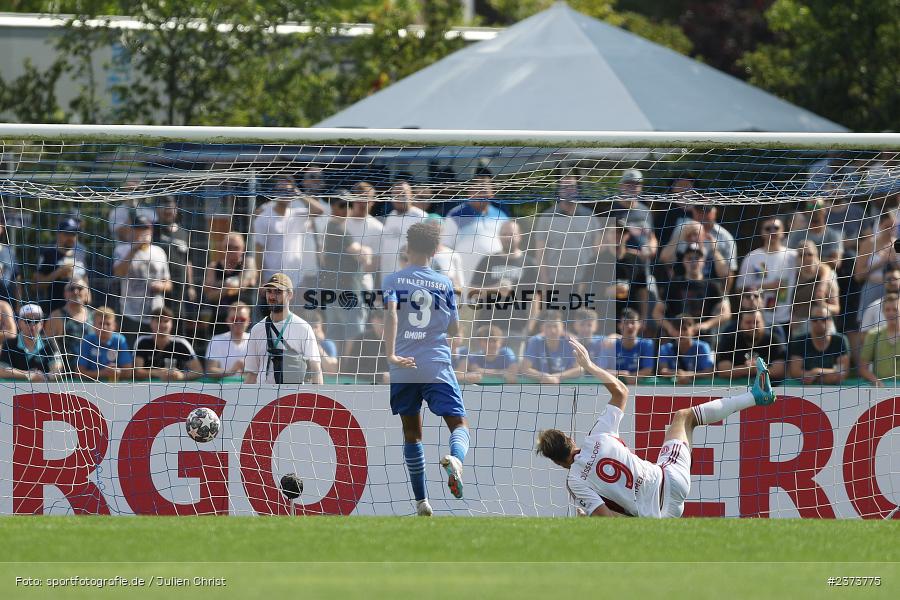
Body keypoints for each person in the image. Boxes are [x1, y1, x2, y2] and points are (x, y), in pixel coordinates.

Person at [536, 338, 776, 518]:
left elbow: (607, 518)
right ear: (570, 438)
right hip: (670, 480)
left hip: (659, 516)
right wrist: (588, 365)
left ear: (557, 462)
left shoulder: (575, 480)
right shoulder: (598, 435)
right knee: (684, 417)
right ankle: (755, 396)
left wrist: (588, 518)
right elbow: (621, 391)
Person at [382, 220, 469, 516]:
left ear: (407, 247)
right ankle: (456, 459)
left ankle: (421, 501)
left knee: (411, 434)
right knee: (458, 425)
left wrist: (391, 354)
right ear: (435, 249)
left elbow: (392, 315)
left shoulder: (393, 280)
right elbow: (455, 328)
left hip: (404, 367)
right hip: (435, 364)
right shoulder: (444, 283)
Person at [468, 219, 540, 352]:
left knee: (512, 370)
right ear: (499, 236)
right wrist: (496, 289)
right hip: (486, 326)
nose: (508, 237)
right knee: (482, 369)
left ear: (520, 236)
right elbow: (472, 292)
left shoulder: (530, 264)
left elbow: (535, 300)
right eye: (504, 234)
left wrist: (529, 328)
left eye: (511, 234)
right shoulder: (487, 261)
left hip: (516, 328)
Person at [243, 273, 323, 385]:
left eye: (278, 292)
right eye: (269, 291)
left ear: (290, 295)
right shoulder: (257, 329)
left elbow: (316, 371)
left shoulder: (303, 328)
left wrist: (317, 401)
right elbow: (252, 374)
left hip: (293, 398)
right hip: (262, 398)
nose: (272, 296)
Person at [319, 193, 373, 354]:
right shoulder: (338, 229)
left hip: (332, 290)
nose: (346, 210)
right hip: (347, 292)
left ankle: (335, 368)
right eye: (341, 205)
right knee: (353, 333)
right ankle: (347, 368)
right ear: (333, 207)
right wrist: (366, 250)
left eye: (348, 205)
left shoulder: (330, 228)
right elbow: (362, 256)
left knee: (334, 332)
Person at [113, 215, 172, 345]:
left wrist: (161, 286)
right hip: (131, 314)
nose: (142, 232)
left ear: (150, 231)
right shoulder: (121, 250)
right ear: (132, 231)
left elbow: (168, 283)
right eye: (139, 228)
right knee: (132, 351)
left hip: (155, 315)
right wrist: (134, 249)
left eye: (145, 228)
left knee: (151, 352)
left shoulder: (159, 251)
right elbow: (118, 273)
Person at [440, 169, 509, 280]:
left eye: (485, 188)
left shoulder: (502, 216)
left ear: (493, 192)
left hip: (495, 279)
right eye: (478, 188)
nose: (482, 191)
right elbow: (445, 248)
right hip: (465, 280)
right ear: (469, 190)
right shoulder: (455, 215)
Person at [654, 243, 730, 342]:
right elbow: (656, 312)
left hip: (703, 339)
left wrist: (707, 324)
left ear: (704, 261)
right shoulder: (673, 284)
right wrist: (670, 328)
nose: (694, 262)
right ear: (684, 261)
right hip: (676, 339)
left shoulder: (713, 285)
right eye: (690, 258)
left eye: (697, 258)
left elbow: (726, 313)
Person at [737, 216, 798, 327]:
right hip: (758, 320)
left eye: (776, 228)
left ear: (783, 231)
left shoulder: (793, 256)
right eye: (768, 229)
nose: (772, 231)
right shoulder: (752, 257)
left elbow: (817, 268)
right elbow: (740, 288)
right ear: (762, 233)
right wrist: (766, 286)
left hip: (787, 319)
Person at [201, 232, 259, 336]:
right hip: (219, 321)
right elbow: (209, 295)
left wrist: (219, 286)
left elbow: (243, 284)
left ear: (243, 248)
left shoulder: (248, 263)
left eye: (236, 247)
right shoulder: (214, 267)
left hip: (243, 322)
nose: (231, 250)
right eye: (228, 247)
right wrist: (229, 287)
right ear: (222, 248)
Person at [153, 195, 197, 325]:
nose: (167, 211)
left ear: (176, 209)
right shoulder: (152, 230)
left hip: (180, 287)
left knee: (178, 321)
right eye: (164, 207)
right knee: (159, 320)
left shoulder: (184, 233)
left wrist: (191, 286)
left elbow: (188, 261)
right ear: (157, 210)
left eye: (170, 207)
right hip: (158, 286)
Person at [716, 309, 787, 383]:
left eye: (756, 322)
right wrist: (748, 369)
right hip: (735, 388)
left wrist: (755, 369)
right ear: (740, 324)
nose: (753, 326)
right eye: (748, 323)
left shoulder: (773, 340)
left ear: (763, 323)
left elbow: (779, 370)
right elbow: (723, 370)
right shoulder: (730, 340)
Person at [34, 217, 88, 313]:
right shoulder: (48, 254)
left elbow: (85, 280)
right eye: (67, 233)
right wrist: (58, 273)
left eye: (74, 234)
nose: (71, 237)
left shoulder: (80, 254)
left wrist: (88, 298)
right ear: (58, 234)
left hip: (78, 312)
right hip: (55, 311)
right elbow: (36, 285)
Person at [134, 307, 203, 381]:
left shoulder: (181, 343)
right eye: (158, 321)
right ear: (151, 323)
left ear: (171, 324)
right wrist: (156, 373)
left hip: (176, 389)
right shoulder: (142, 342)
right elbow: (136, 372)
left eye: (166, 321)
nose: (162, 325)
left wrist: (182, 376)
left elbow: (198, 371)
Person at [787, 304, 850, 385]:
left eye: (823, 319)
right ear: (810, 321)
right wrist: (823, 376)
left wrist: (817, 372)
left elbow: (843, 371)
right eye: (814, 319)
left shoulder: (840, 340)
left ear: (831, 321)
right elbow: (795, 372)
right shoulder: (799, 341)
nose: (819, 322)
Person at [789, 241, 840, 339]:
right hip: (800, 326)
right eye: (802, 255)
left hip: (823, 324)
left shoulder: (829, 277)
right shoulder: (793, 276)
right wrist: (791, 317)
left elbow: (836, 309)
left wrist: (823, 305)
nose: (806, 258)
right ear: (797, 258)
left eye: (810, 254)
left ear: (816, 255)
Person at [0, 304, 64, 381]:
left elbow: (58, 370)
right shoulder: (9, 343)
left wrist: (45, 377)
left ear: (42, 324)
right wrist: (29, 375)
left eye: (36, 321)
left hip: (44, 391)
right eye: (28, 321)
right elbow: (2, 371)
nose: (32, 325)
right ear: (19, 323)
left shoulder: (49, 343)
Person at [44, 276, 94, 373]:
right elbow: (48, 347)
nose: (75, 292)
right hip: (67, 374)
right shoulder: (56, 316)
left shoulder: (94, 316)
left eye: (79, 288)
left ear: (87, 293)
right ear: (65, 294)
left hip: (92, 371)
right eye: (71, 289)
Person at [380, 179, 427, 278]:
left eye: (403, 194)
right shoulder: (390, 217)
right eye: (396, 195)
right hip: (387, 278)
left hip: (410, 278)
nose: (399, 197)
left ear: (411, 195)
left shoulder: (421, 217)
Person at [520, 311, 583, 384]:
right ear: (542, 328)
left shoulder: (570, 342)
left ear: (562, 327)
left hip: (566, 387)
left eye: (555, 326)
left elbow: (580, 370)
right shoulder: (535, 341)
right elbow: (524, 369)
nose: (552, 330)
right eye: (548, 326)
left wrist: (556, 377)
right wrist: (545, 377)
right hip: (540, 387)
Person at [77, 307, 133, 381]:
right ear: (93, 325)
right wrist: (102, 373)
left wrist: (117, 372)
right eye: (101, 323)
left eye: (108, 324)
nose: (104, 327)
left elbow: (129, 372)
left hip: (115, 386)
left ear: (114, 326)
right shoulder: (87, 341)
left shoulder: (120, 340)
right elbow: (79, 372)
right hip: (90, 386)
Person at [787, 199, 844, 272]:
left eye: (818, 206)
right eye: (810, 206)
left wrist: (811, 262)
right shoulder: (797, 235)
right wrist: (824, 260)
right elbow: (791, 259)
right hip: (801, 276)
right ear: (806, 211)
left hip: (827, 274)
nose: (814, 210)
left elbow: (836, 263)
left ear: (825, 210)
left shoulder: (834, 235)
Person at [657, 315, 715, 384]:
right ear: (671, 332)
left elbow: (709, 372)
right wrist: (680, 374)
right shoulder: (665, 348)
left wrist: (687, 375)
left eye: (684, 329)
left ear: (693, 331)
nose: (681, 333)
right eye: (677, 329)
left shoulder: (703, 347)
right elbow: (663, 371)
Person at [859, 293, 900, 387]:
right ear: (883, 312)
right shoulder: (873, 334)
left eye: (895, 309)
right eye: (887, 310)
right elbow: (863, 368)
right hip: (880, 389)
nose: (891, 313)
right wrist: (875, 381)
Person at [204, 302, 251, 378]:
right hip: (224, 387)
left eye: (242, 319)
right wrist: (231, 371)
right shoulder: (217, 340)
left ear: (248, 321)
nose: (238, 322)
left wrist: (249, 369)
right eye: (234, 319)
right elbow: (210, 371)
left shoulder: (254, 340)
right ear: (227, 320)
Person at [613, 308, 656, 384]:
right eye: (626, 323)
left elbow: (649, 370)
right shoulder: (611, 344)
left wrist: (631, 376)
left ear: (639, 325)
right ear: (619, 326)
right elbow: (602, 369)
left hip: (641, 388)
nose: (630, 326)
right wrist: (622, 373)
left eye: (633, 322)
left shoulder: (647, 344)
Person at [860, 263, 900, 333]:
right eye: (889, 279)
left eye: (895, 279)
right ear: (883, 281)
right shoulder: (873, 306)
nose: (892, 282)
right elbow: (864, 335)